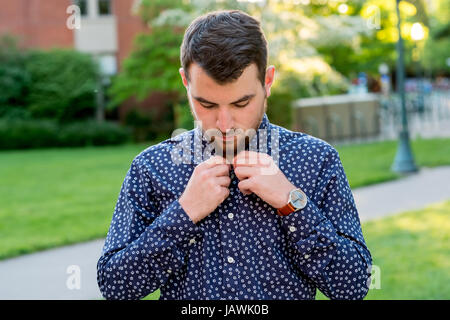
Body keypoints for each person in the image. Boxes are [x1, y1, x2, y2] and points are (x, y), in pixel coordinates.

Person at [97, 10, 372, 300]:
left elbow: (354, 286)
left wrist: (292, 203)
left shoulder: (316, 160)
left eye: (241, 103)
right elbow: (116, 287)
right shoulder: (152, 168)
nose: (224, 124)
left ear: (267, 81)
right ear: (186, 82)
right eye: (206, 104)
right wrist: (184, 213)